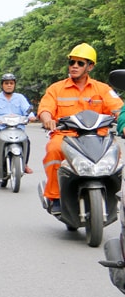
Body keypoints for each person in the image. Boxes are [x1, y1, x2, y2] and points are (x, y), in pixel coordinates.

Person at [37, 43, 123, 213]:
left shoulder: (103, 89)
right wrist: (47, 119)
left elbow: (118, 110)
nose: (74, 66)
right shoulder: (56, 88)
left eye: (80, 63)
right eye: (72, 62)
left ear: (90, 66)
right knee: (53, 149)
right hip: (66, 136)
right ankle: (55, 197)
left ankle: (116, 195)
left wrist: (122, 121)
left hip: (97, 137)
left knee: (116, 152)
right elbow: (45, 109)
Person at [0, 73, 36, 178]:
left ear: (14, 85)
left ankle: (24, 164)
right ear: (2, 85)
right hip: (0, 128)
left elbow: (27, 110)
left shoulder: (20, 98)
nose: (9, 85)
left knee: (26, 140)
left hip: (17, 127)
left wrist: (31, 116)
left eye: (11, 83)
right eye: (6, 83)